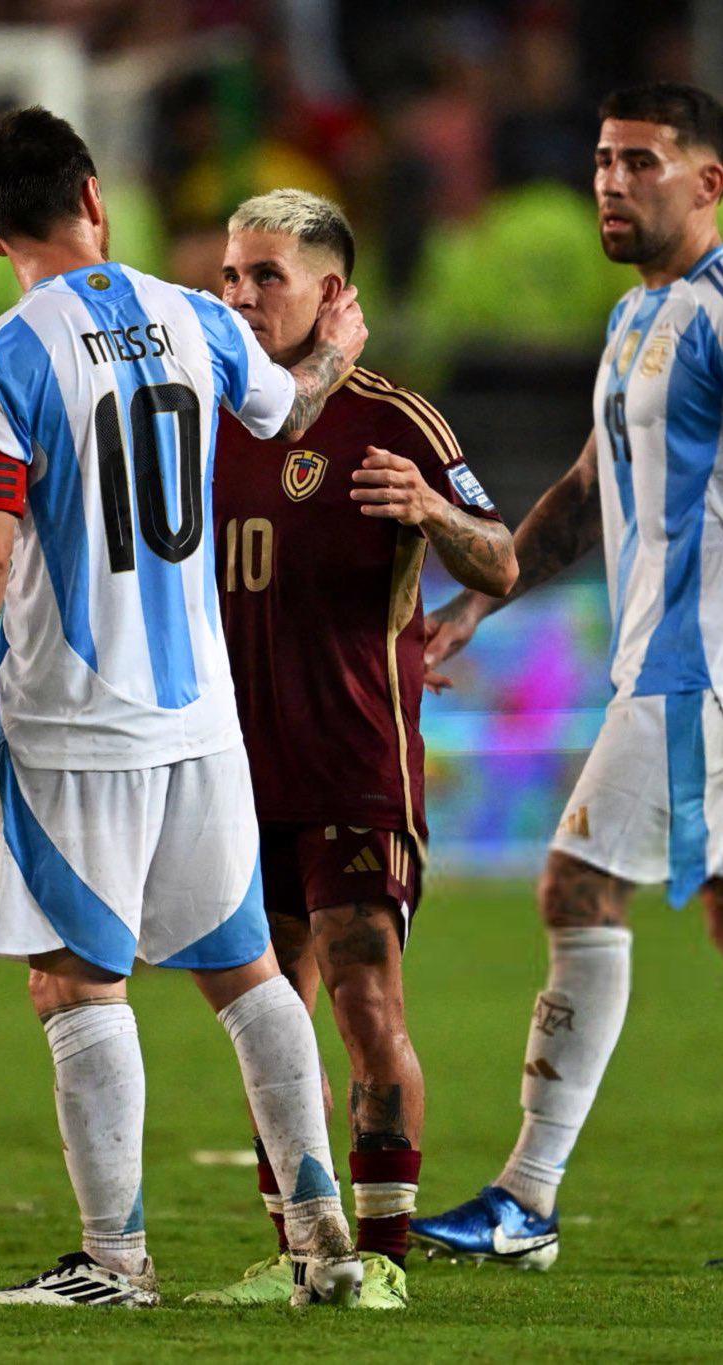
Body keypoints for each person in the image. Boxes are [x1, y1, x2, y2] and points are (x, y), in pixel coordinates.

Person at [0, 107, 370, 1310]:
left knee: (73, 983)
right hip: (201, 718)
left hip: (78, 720)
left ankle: (115, 1264)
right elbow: (287, 408)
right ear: (95, 198)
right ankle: (326, 1241)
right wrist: (333, 347)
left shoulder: (0, 357)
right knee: (248, 973)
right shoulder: (197, 315)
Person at [183, 189, 516, 1310]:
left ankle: (383, 1257)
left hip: (353, 766)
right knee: (265, 1011)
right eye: (231, 274)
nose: (239, 295)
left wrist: (429, 507)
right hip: (231, 772)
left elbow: (501, 563)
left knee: (366, 999)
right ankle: (297, 1250)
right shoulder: (201, 414)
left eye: (265, 276)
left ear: (331, 293)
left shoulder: (396, 422)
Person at [411, 81, 723, 1268]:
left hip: (700, 672)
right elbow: (589, 495)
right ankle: (524, 1204)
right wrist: (482, 596)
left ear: (706, 182)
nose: (609, 180)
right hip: (660, 658)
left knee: (576, 885)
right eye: (600, 159)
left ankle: (525, 1200)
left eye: (639, 162)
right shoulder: (636, 320)